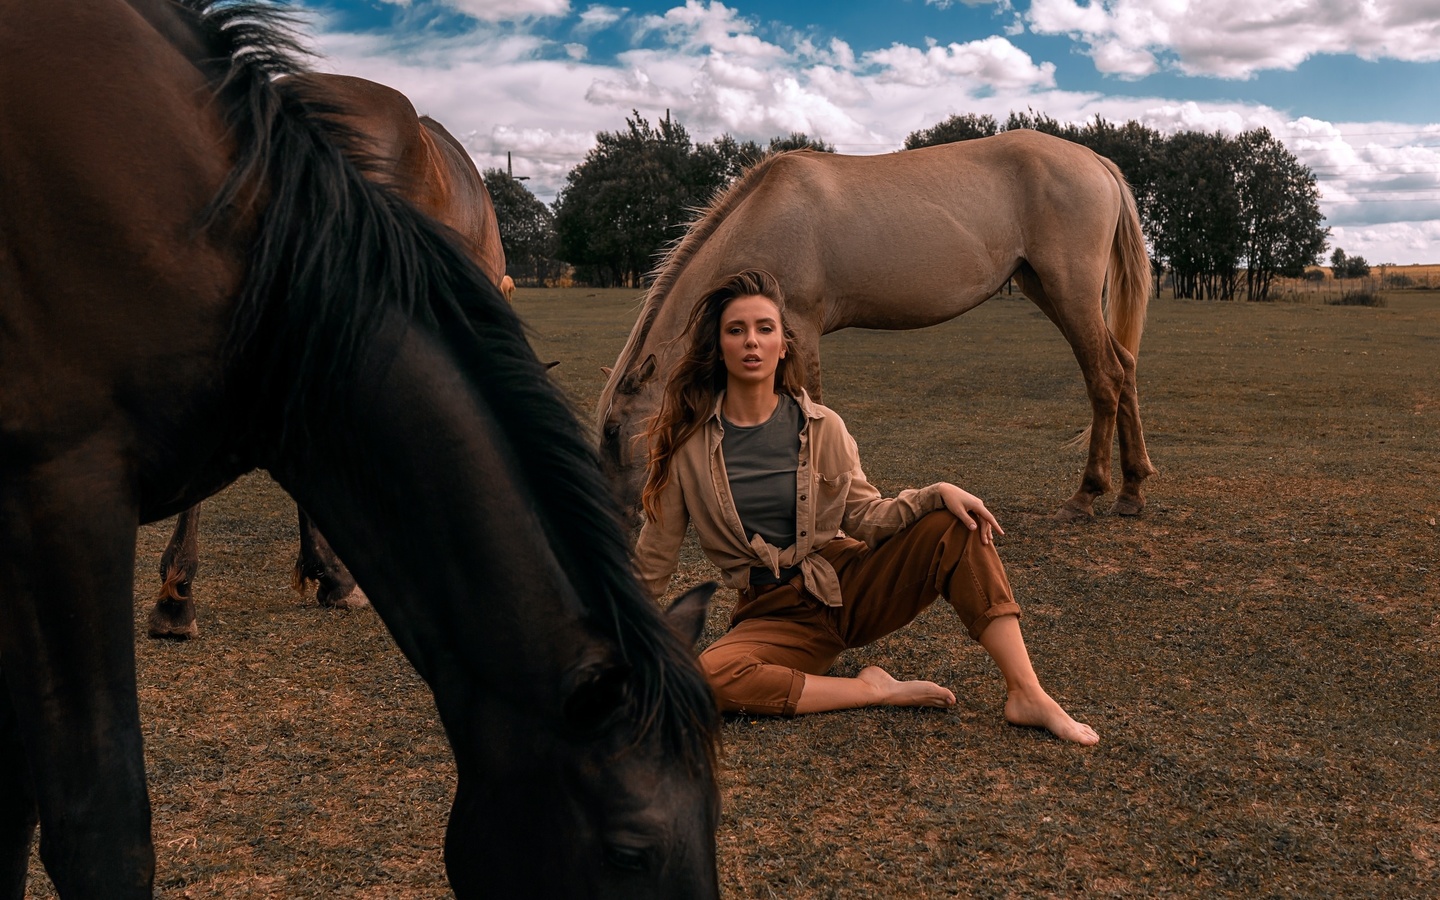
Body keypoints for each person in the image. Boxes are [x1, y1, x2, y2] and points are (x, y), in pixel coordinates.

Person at [633, 269, 1098, 744]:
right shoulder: (685, 446)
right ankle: (871, 689)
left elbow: (866, 516)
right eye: (737, 330)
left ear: (784, 344)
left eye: (764, 328)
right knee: (711, 677)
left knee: (952, 526)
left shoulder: (822, 428)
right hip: (773, 615)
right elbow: (654, 560)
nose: (752, 341)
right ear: (719, 345)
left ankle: (1027, 693)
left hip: (846, 584)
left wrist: (936, 493)